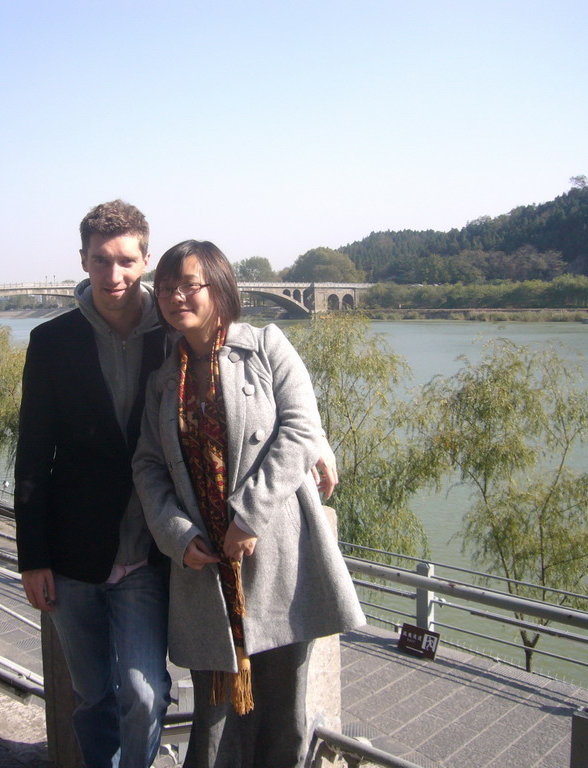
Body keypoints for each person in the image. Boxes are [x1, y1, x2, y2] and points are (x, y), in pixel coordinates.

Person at [132, 241, 365, 768]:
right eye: (166, 287)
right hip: (205, 569)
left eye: (189, 284)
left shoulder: (266, 345)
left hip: (276, 558)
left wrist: (247, 517)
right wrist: (176, 534)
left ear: (220, 286)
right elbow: (147, 465)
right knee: (213, 724)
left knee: (285, 712)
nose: (175, 296)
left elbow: (301, 428)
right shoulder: (163, 381)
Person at [14, 200, 173, 768]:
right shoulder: (52, 342)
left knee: (144, 693)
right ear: (82, 259)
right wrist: (32, 557)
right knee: (93, 696)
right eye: (101, 261)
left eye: (126, 260)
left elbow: (244, 380)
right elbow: (32, 457)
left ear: (146, 259)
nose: (114, 276)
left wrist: (313, 440)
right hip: (72, 553)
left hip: (147, 551)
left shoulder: (175, 335)